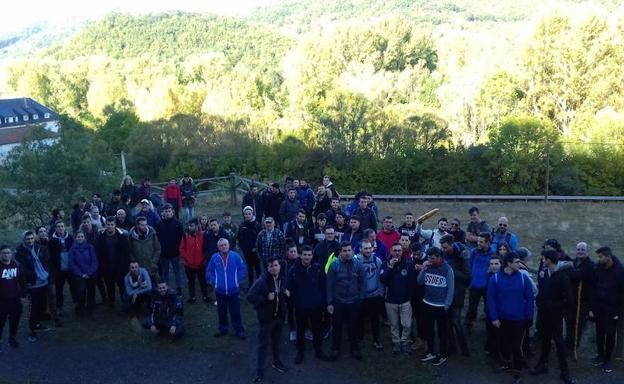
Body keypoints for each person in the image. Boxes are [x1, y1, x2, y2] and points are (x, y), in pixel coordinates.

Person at [487, 252, 535, 383]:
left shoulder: (523, 278)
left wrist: (529, 316)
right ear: (508, 263)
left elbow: (530, 298)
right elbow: (490, 299)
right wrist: (494, 317)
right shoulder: (495, 278)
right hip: (502, 319)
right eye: (517, 262)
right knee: (504, 344)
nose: (520, 264)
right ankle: (507, 364)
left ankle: (518, 371)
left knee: (516, 346)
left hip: (519, 320)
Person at [530, 249, 576, 384]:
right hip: (543, 314)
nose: (542, 260)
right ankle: (542, 365)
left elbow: (569, 300)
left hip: (555, 315)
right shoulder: (544, 273)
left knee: (558, 342)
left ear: (549, 260)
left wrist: (553, 305)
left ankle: (564, 371)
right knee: (545, 340)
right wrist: (540, 302)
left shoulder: (562, 276)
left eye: (543, 258)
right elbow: (541, 290)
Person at [248, 257, 289, 382]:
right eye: (271, 266)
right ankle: (259, 372)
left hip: (279, 317)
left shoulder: (282, 278)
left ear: (279, 266)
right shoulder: (262, 281)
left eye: (275, 265)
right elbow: (250, 296)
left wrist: (285, 292)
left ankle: (276, 362)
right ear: (267, 268)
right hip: (266, 320)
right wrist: (265, 297)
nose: (273, 268)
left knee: (277, 342)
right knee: (263, 345)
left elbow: (279, 292)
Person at [288, 245, 328, 364]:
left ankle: (318, 350)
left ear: (312, 256)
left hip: (316, 306)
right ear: (300, 255)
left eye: (309, 255)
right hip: (301, 307)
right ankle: (300, 352)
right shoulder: (293, 270)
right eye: (304, 254)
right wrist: (295, 301)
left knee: (317, 330)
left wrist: (322, 302)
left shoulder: (318, 268)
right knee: (300, 331)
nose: (307, 257)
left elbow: (323, 286)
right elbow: (289, 287)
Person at [326, 242, 365, 360]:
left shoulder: (358, 264)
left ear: (352, 251)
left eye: (349, 250)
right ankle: (335, 348)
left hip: (354, 301)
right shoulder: (334, 265)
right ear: (340, 252)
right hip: (338, 301)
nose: (347, 253)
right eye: (344, 251)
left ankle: (355, 348)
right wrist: (329, 302)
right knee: (337, 326)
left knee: (353, 326)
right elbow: (329, 285)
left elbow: (362, 282)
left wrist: (360, 298)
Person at [417, 247, 455, 366]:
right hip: (427, 303)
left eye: (432, 258)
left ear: (439, 257)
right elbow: (419, 282)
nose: (430, 260)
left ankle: (443, 353)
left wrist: (447, 304)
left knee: (442, 331)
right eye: (428, 258)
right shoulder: (427, 266)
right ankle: (431, 351)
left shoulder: (447, 269)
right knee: (429, 330)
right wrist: (423, 269)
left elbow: (451, 289)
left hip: (441, 306)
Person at [590, 246, 624, 374]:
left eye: (601, 257)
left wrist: (617, 312)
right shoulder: (598, 268)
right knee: (599, 333)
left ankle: (607, 360)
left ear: (608, 257)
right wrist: (593, 307)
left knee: (610, 335)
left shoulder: (620, 271)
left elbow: (622, 294)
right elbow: (593, 287)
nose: (599, 259)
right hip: (599, 309)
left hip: (612, 311)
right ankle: (600, 355)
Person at [206, 238, 247, 339]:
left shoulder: (235, 256)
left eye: (225, 245)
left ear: (229, 245)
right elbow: (209, 271)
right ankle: (223, 329)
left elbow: (243, 269)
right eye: (221, 245)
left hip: (233, 291)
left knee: (236, 312)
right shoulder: (214, 257)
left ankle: (239, 330)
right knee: (221, 311)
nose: (223, 247)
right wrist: (215, 281)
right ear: (218, 247)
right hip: (220, 291)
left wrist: (236, 280)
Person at [380, 242, 416, 354]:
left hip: (405, 300)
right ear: (391, 251)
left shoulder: (408, 264)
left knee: (407, 324)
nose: (397, 253)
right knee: (394, 324)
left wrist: (410, 298)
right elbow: (383, 279)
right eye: (394, 250)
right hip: (390, 300)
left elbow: (412, 283)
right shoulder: (385, 264)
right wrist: (390, 267)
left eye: (399, 250)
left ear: (402, 251)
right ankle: (396, 342)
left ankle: (405, 341)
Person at [16, 231, 51, 342]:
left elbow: (45, 261)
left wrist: (46, 272)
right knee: (33, 308)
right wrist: (34, 275)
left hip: (43, 281)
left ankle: (37, 324)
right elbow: (22, 268)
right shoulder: (20, 252)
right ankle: (32, 331)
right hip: (32, 284)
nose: (30, 241)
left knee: (41, 306)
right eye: (28, 239)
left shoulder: (38, 247)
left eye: (32, 238)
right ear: (24, 240)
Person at [440, 234, 471, 357]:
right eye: (442, 247)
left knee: (456, 323)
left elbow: (467, 277)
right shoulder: (443, 254)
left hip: (458, 294)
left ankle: (464, 349)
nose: (443, 249)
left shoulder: (462, 256)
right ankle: (451, 347)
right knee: (447, 323)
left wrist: (451, 271)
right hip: (445, 294)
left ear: (452, 245)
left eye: (445, 247)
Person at [356, 239, 385, 351]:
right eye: (365, 248)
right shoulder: (356, 261)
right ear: (360, 249)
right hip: (361, 297)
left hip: (375, 296)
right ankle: (360, 339)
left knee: (375, 320)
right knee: (359, 319)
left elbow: (381, 278)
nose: (368, 250)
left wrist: (381, 292)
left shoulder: (377, 260)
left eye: (370, 248)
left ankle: (376, 340)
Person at [95, 217, 130, 308]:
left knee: (122, 285)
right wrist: (101, 266)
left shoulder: (121, 236)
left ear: (115, 225)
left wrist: (124, 266)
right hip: (107, 267)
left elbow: (126, 252)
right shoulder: (101, 238)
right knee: (109, 285)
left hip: (120, 266)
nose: (110, 226)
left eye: (112, 224)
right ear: (105, 225)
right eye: (108, 224)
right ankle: (111, 301)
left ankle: (124, 302)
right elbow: (98, 253)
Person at [465, 232, 495, 332]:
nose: (478, 244)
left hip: (487, 286)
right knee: (472, 308)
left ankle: (489, 327)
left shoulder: (493, 254)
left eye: (481, 242)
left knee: (488, 308)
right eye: (478, 241)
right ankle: (468, 325)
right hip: (474, 285)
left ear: (488, 243)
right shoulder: (474, 252)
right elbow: (469, 265)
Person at [0, 245, 26, 350]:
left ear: (11, 254)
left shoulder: (17, 265)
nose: (6, 255)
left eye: (8, 252)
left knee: (15, 320)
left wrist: (23, 296)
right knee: (0, 322)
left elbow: (22, 281)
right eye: (4, 253)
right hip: (2, 301)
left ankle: (12, 338)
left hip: (16, 299)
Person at [179, 218, 209, 303]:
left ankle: (205, 296)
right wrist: (186, 259)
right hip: (189, 265)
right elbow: (181, 248)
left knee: (203, 281)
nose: (190, 227)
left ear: (197, 226)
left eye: (191, 226)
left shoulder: (203, 235)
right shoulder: (185, 236)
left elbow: (206, 247)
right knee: (190, 282)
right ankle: (192, 297)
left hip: (201, 263)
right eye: (189, 226)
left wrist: (204, 258)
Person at [155, 204, 183, 293]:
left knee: (177, 271)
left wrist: (180, 251)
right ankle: (165, 289)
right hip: (164, 253)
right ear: (163, 212)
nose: (167, 213)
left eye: (169, 211)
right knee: (165, 273)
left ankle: (179, 288)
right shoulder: (159, 224)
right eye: (166, 211)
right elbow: (157, 239)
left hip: (175, 253)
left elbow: (181, 238)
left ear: (173, 212)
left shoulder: (178, 224)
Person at [69, 231, 98, 316]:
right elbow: (72, 264)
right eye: (78, 236)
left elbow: (95, 261)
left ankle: (91, 308)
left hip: (91, 274)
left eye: (82, 236)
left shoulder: (90, 247)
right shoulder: (72, 249)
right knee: (81, 292)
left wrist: (89, 272)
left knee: (91, 291)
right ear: (75, 238)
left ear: (84, 238)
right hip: (79, 275)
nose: (80, 238)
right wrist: (81, 274)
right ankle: (80, 309)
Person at [48, 221, 74, 317]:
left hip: (71, 268)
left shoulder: (70, 238)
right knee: (59, 289)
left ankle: (77, 303)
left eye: (62, 226)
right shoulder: (52, 240)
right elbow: (51, 256)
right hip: (59, 269)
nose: (60, 228)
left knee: (73, 286)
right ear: (55, 228)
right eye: (58, 227)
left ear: (65, 227)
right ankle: (59, 307)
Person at [128, 216, 161, 283]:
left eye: (146, 224)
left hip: (151, 266)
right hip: (139, 267)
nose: (145, 226)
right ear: (137, 225)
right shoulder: (131, 236)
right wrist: (134, 262)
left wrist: (154, 261)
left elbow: (158, 249)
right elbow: (129, 250)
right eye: (142, 225)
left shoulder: (152, 234)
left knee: (154, 286)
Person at [239, 206, 262, 288]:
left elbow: (261, 238)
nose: (247, 215)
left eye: (249, 214)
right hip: (247, 252)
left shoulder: (258, 225)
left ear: (252, 214)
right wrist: (244, 249)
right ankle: (251, 284)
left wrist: (256, 248)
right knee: (249, 268)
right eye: (246, 214)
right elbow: (240, 239)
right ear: (244, 215)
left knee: (258, 268)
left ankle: (260, 284)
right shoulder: (242, 225)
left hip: (256, 252)